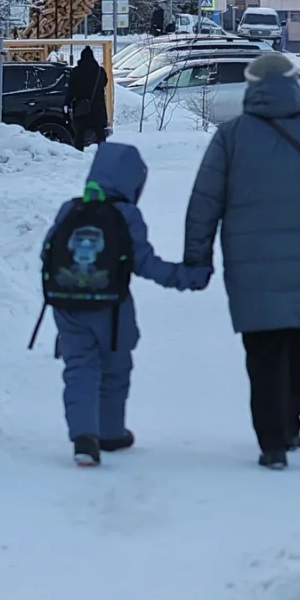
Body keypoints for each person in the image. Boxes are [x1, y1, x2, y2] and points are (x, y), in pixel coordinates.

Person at [183, 51, 300, 470]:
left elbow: (204, 201)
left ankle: (272, 443)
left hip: (251, 260)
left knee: (263, 352)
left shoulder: (232, 136)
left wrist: (197, 257)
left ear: (252, 87)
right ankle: (291, 424)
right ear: (293, 85)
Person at [32, 143, 211, 467]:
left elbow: (48, 253)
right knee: (115, 368)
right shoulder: (126, 215)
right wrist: (186, 277)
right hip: (111, 309)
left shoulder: (69, 209)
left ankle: (84, 436)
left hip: (68, 306)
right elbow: (144, 263)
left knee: (79, 368)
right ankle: (111, 433)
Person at [65, 46, 110, 149]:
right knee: (100, 134)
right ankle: (104, 154)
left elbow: (71, 89)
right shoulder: (100, 71)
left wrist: (67, 103)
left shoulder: (76, 72)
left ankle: (79, 154)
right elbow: (104, 83)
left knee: (79, 134)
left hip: (82, 108)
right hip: (97, 109)